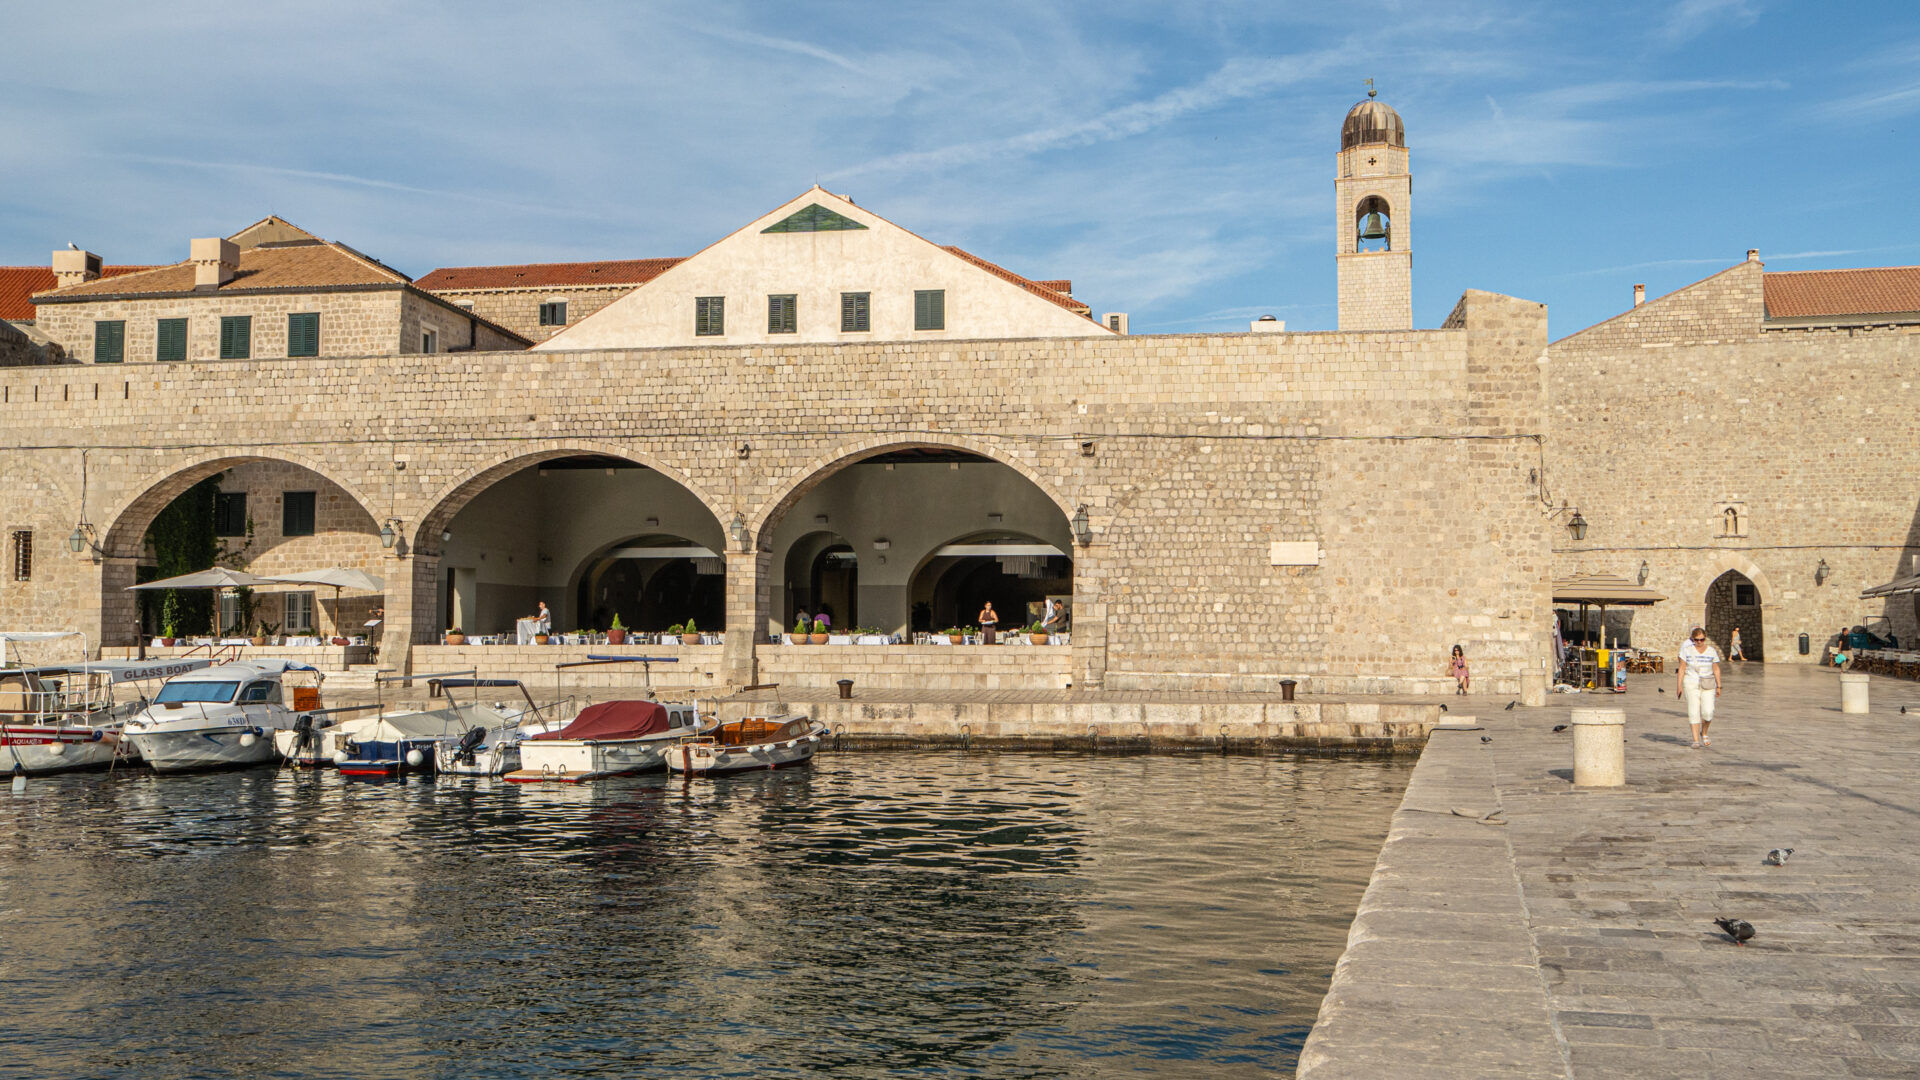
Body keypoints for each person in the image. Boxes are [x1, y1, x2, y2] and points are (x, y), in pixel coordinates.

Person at [1676, 626, 1722, 748]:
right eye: (1696, 640)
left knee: (1708, 712)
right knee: (1693, 711)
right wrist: (1679, 686)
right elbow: (1682, 668)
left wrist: (1719, 686)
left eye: (1702, 639)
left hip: (1708, 683)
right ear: (1693, 639)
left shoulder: (1711, 651)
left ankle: (1704, 732)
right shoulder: (1687, 651)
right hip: (1691, 682)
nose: (1699, 642)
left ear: (1705, 638)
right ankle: (1695, 740)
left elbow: (1716, 669)